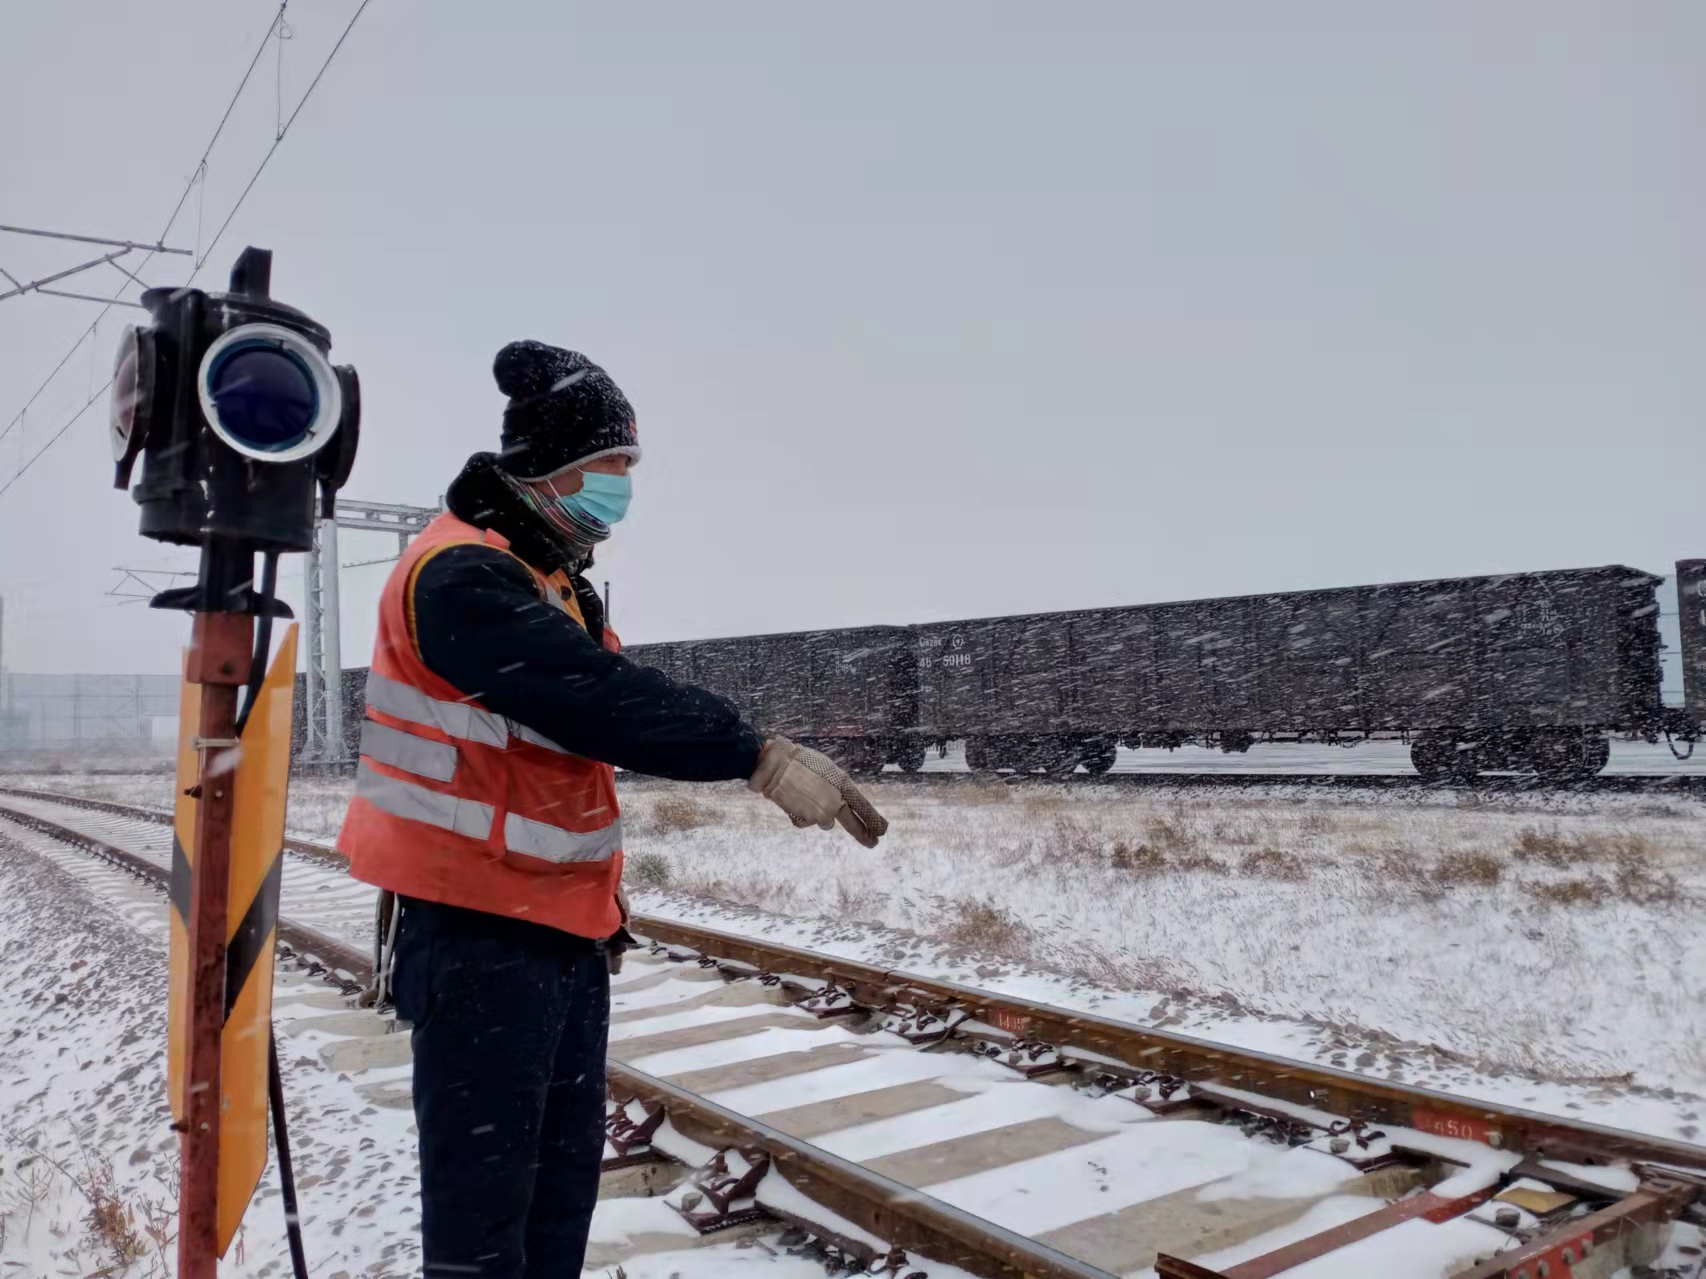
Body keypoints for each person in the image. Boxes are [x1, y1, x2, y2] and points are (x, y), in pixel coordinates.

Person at [337, 339, 887, 1279]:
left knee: (554, 1208)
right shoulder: (458, 574)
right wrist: (754, 753)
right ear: (550, 465)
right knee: (484, 1230)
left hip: (555, 931)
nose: (623, 487)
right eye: (612, 466)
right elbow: (594, 696)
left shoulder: (546, 573)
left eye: (629, 467)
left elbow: (594, 702)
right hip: (478, 935)